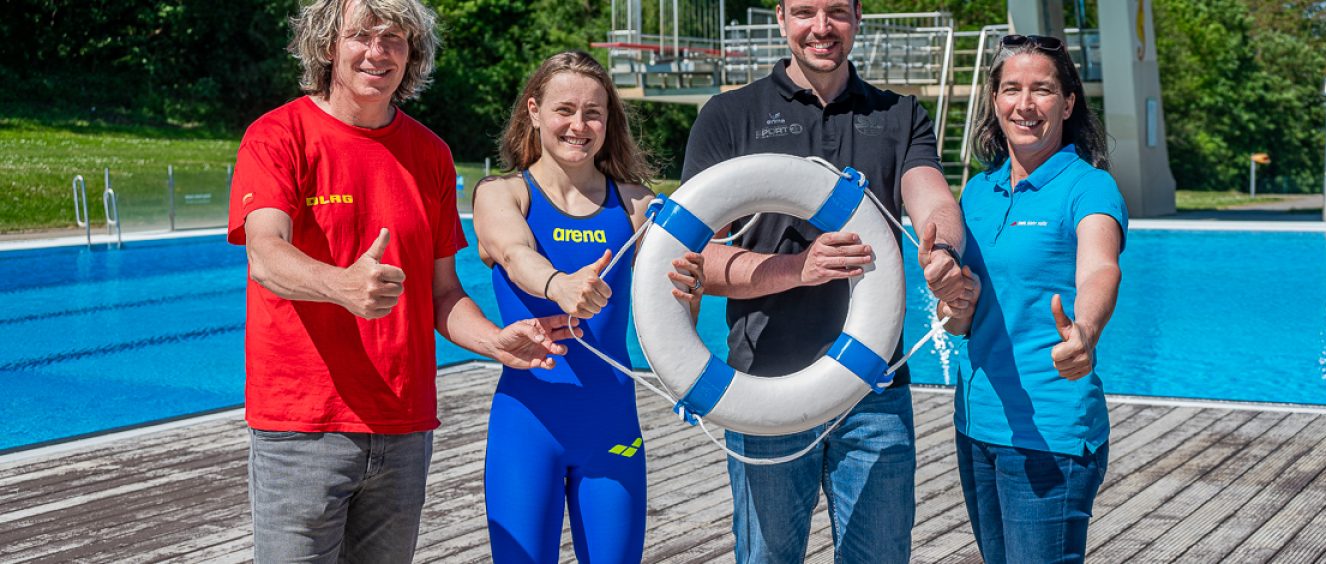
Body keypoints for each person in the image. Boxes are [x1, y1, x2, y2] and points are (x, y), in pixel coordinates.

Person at [227, 0, 576, 561]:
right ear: (327, 45)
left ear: (411, 55)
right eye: (361, 35)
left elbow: (442, 293)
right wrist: (342, 284)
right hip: (303, 426)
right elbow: (266, 255)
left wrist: (493, 341)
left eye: (395, 38)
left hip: (404, 427)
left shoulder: (430, 155)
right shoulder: (278, 136)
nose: (378, 51)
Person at [680, 0, 978, 561]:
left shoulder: (899, 114)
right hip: (763, 390)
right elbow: (697, 263)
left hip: (873, 393)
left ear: (858, 17)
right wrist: (798, 268)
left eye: (837, 11)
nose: (821, 27)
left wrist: (944, 249)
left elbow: (931, 194)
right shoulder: (729, 116)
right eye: (806, 11)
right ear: (780, 17)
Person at [471, 51, 705, 563]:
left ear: (608, 122)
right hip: (528, 423)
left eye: (593, 113)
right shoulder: (503, 194)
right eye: (564, 110)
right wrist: (559, 285)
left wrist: (692, 293)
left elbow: (676, 319)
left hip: (611, 424)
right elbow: (514, 254)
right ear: (534, 110)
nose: (579, 125)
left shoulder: (638, 205)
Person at [939, 34, 1128, 563]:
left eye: (1042, 90)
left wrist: (1085, 332)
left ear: (1067, 103)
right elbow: (961, 315)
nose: (1025, 105)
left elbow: (1100, 268)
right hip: (976, 424)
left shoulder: (1088, 188)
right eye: (1011, 89)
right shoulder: (977, 192)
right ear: (994, 101)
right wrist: (953, 307)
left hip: (1050, 432)